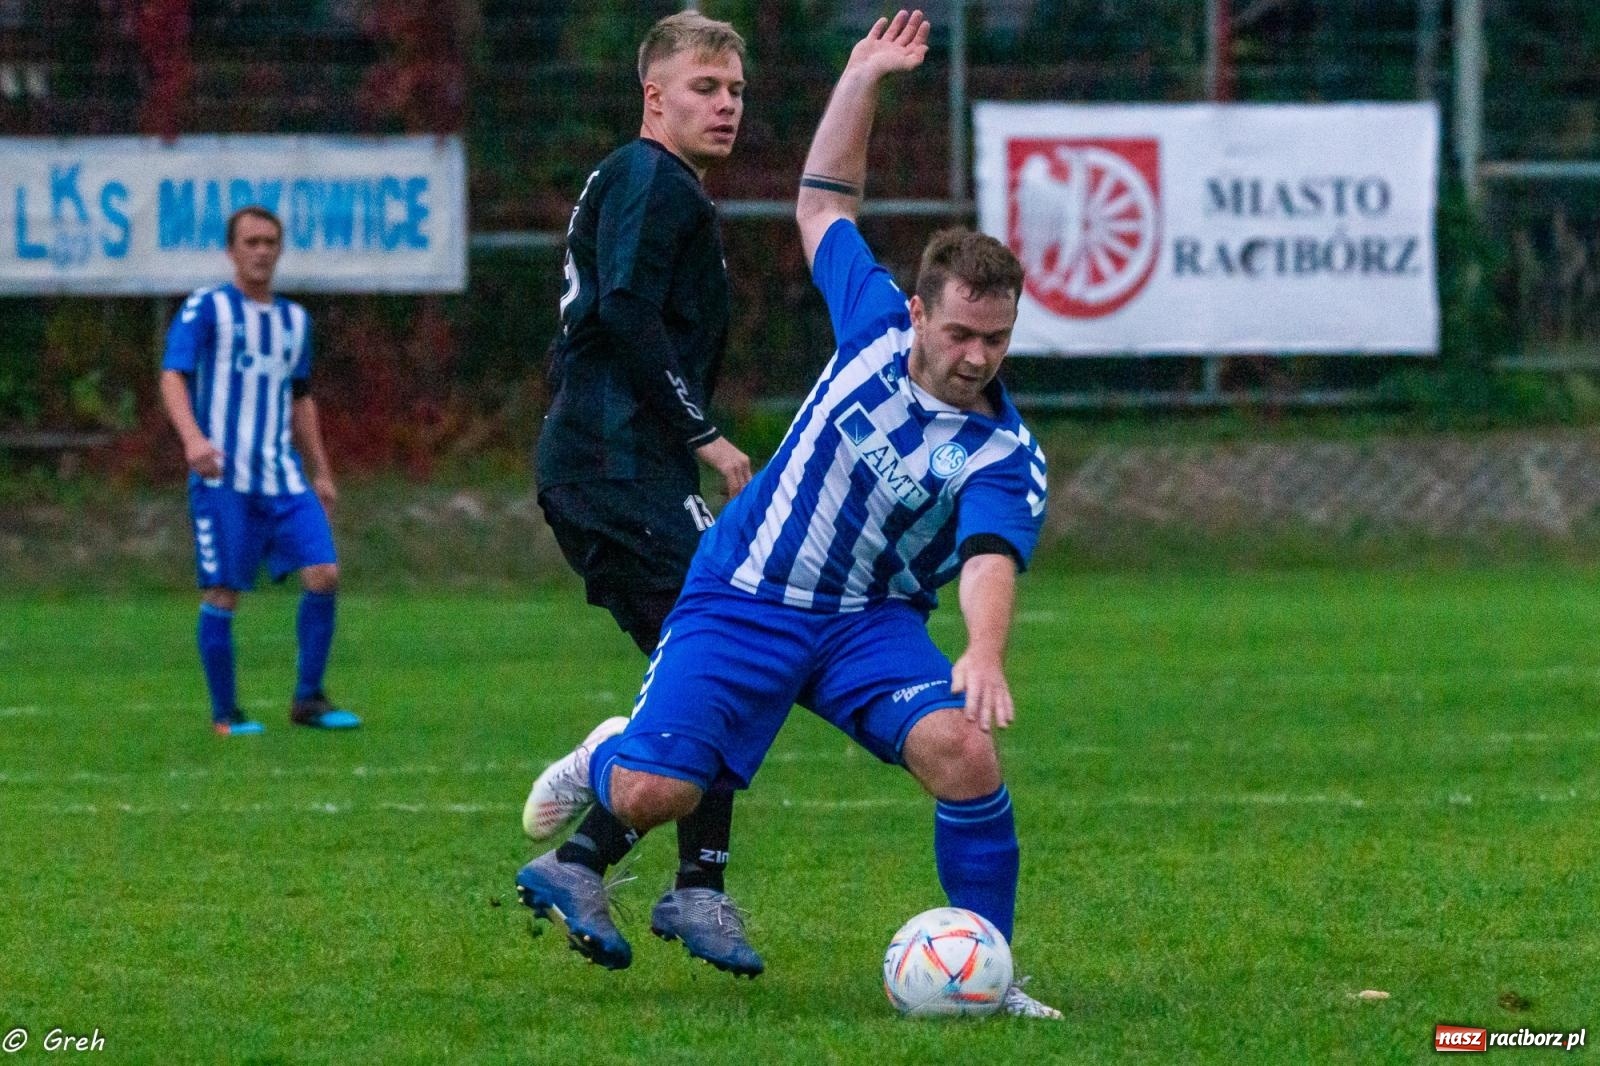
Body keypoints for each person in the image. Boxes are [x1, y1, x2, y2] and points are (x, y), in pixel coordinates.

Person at [517, 10, 1061, 1019]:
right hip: (746, 592)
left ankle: (988, 972)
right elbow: (823, 203)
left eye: (996, 338)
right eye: (959, 333)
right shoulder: (865, 322)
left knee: (964, 752)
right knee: (650, 795)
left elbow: (990, 551)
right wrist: (861, 74)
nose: (977, 356)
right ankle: (611, 753)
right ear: (914, 313)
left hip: (865, 625)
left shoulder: (1001, 447)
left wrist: (981, 652)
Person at [516, 11, 762, 977]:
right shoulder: (653, 178)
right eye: (706, 88)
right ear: (655, 95)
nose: (727, 105)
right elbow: (619, 309)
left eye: (736, 91)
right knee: (727, 655)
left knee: (731, 659)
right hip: (614, 472)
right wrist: (701, 431)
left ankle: (666, 877)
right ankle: (613, 792)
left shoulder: (650, 184)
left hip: (616, 469)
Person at [158, 206, 361, 736]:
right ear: (231, 251)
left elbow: (301, 397)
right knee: (224, 592)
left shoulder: (295, 321)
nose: (261, 251)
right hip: (224, 478)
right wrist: (193, 439)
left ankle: (308, 700)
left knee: (325, 574)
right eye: (250, 242)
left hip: (283, 477)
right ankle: (226, 715)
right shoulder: (207, 308)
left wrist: (321, 470)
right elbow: (173, 376)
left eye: (270, 241)